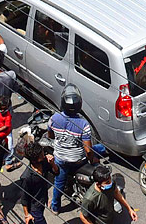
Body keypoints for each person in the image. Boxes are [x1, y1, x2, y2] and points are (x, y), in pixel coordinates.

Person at [49, 85, 95, 213]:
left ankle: (55, 207)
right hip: (78, 160)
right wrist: (92, 161)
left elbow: (50, 135)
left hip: (61, 159)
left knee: (58, 184)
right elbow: (89, 150)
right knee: (99, 148)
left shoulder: (54, 118)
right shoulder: (84, 125)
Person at [19, 142, 56, 224]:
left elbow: (56, 173)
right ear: (35, 159)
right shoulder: (27, 177)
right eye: (41, 154)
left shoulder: (44, 162)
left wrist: (52, 163)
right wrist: (26, 215)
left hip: (42, 200)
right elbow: (24, 197)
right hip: (34, 207)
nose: (44, 154)